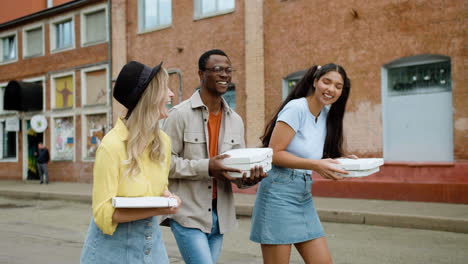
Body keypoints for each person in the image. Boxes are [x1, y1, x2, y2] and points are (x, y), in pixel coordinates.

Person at [161, 49, 267, 264]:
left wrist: (248, 178)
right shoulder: (179, 115)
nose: (224, 75)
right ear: (201, 74)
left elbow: (236, 166)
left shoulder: (236, 120)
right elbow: (164, 165)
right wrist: (207, 167)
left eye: (228, 70)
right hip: (188, 213)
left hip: (220, 216)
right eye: (217, 69)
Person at [250, 64, 356, 264]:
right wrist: (316, 165)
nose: (331, 89)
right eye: (327, 81)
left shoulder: (325, 115)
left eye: (338, 86)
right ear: (315, 82)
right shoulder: (297, 108)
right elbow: (273, 153)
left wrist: (343, 160)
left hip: (303, 195)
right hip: (277, 194)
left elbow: (315, 154)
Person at [80, 61, 180, 264]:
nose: (171, 95)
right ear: (149, 97)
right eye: (165, 89)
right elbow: (103, 214)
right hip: (110, 253)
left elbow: (159, 189)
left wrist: (167, 197)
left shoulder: (162, 142)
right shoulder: (111, 146)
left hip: (153, 251)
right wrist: (160, 208)